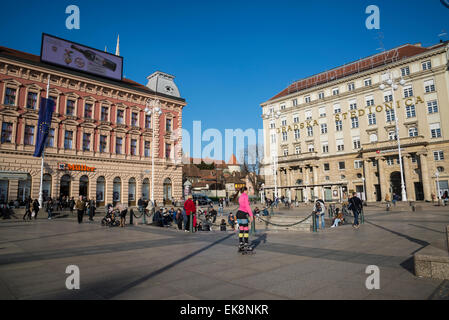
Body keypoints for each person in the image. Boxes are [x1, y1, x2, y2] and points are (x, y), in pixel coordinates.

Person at [236, 187, 254, 252]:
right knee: (246, 230)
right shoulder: (245, 196)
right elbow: (247, 206)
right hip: (243, 214)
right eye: (247, 190)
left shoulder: (240, 196)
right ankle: (246, 244)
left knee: (241, 229)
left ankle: (241, 244)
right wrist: (251, 215)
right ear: (245, 190)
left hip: (238, 214)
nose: (248, 192)